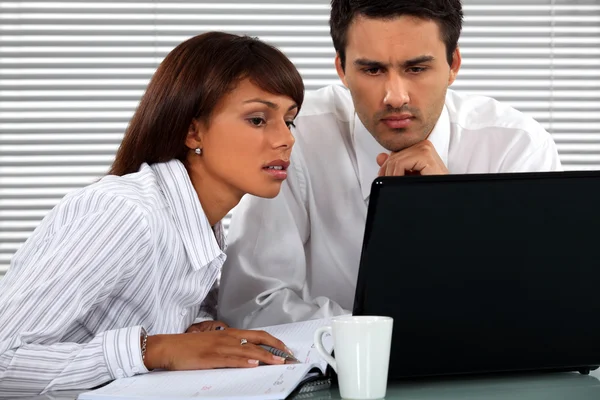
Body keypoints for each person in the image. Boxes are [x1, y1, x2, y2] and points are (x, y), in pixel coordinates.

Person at [218, 0, 562, 329]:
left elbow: (543, 302)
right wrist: (376, 340)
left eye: (416, 68)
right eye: (372, 69)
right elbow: (251, 305)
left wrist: (455, 212)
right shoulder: (293, 138)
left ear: (453, 65)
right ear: (342, 69)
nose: (395, 97)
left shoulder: (517, 147)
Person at [0, 32, 303, 396]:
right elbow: (5, 360)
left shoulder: (202, 221)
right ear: (193, 132)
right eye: (257, 119)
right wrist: (155, 349)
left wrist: (198, 330)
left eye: (289, 120)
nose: (286, 139)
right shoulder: (124, 214)